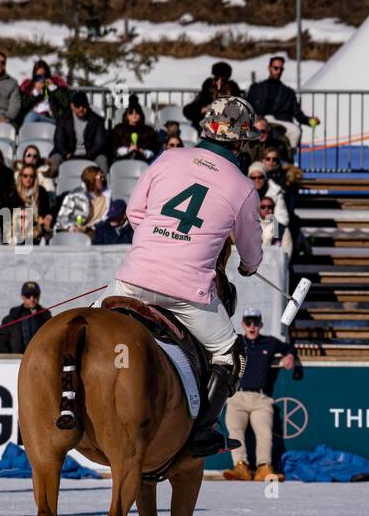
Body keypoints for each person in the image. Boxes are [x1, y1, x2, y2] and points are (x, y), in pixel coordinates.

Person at [105, 95, 265, 457]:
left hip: (132, 280)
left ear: (206, 128)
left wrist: (158, 242)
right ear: (240, 141)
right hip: (188, 293)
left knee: (87, 329)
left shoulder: (169, 157)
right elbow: (251, 251)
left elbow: (135, 211)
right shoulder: (242, 187)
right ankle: (202, 432)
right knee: (230, 353)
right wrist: (247, 267)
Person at [221, 308, 301, 481]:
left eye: (255, 322)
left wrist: (289, 356)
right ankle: (240, 467)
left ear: (260, 324)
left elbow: (290, 347)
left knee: (264, 433)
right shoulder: (235, 342)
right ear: (242, 324)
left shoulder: (270, 343)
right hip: (237, 397)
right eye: (248, 322)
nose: (252, 326)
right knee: (235, 432)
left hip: (261, 399)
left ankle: (264, 468)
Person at [245, 55, 318, 139]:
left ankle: (289, 152)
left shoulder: (289, 93)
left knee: (296, 131)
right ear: (269, 68)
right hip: (259, 120)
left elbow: (297, 113)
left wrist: (309, 120)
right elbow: (247, 108)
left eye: (281, 69)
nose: (278, 71)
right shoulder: (256, 88)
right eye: (276, 68)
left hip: (280, 121)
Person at [51, 90, 108, 171]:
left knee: (102, 160)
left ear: (88, 106)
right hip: (68, 154)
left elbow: (100, 143)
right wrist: (66, 154)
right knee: (54, 159)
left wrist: (89, 155)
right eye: (78, 106)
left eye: (84, 106)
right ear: (72, 106)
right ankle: (49, 183)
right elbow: (58, 141)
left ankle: (104, 183)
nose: (81, 109)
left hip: (91, 155)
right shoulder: (63, 120)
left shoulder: (97, 120)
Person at [0, 281, 50, 354]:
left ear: (39, 296)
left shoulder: (47, 318)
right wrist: (8, 360)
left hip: (39, 361)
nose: (32, 299)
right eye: (28, 295)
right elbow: (1, 341)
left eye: (35, 295)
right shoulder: (10, 318)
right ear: (22, 296)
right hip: (15, 361)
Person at [55, 165, 110, 237]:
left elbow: (105, 218)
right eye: (100, 177)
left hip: (94, 230)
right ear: (91, 179)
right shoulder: (76, 195)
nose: (103, 179)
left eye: (103, 177)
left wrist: (86, 228)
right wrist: (73, 227)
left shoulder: (107, 196)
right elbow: (62, 217)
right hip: (72, 229)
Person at [106, 99, 161, 164]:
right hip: (121, 160)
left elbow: (154, 147)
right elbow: (113, 147)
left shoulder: (148, 130)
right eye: (131, 112)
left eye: (137, 112)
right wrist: (128, 150)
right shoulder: (118, 129)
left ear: (141, 114)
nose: (134, 114)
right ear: (126, 115)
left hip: (144, 160)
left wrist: (143, 151)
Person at [16, 59, 69, 126]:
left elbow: (66, 103)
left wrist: (54, 88)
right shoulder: (28, 86)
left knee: (32, 116)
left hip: (50, 119)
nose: (42, 79)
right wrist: (35, 93)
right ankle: (25, 134)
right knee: (32, 116)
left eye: (44, 76)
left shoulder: (56, 83)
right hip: (31, 118)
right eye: (38, 76)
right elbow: (21, 107)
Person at [12, 163, 54, 243]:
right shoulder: (14, 193)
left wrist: (47, 217)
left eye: (31, 176)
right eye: (25, 176)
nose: (28, 179)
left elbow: (46, 211)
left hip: (37, 227)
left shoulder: (41, 191)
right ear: (20, 177)